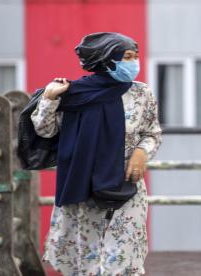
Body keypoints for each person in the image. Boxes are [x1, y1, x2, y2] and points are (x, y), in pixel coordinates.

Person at [31, 32, 162, 275]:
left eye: (135, 57)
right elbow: (45, 130)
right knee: (88, 261)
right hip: (84, 186)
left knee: (124, 258)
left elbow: (152, 132)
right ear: (106, 60)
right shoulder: (74, 93)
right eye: (126, 57)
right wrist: (49, 98)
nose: (133, 63)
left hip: (127, 184)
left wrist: (142, 152)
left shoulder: (141, 94)